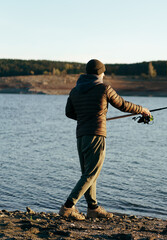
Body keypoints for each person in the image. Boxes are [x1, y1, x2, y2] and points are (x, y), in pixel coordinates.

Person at [60, 59, 151, 220]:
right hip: (96, 134)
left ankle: (93, 208)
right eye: (103, 72)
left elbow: (69, 112)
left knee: (88, 174)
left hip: (81, 135)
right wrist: (142, 109)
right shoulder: (103, 88)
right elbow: (122, 105)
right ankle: (68, 206)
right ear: (100, 73)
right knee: (91, 173)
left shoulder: (75, 90)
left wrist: (87, 117)